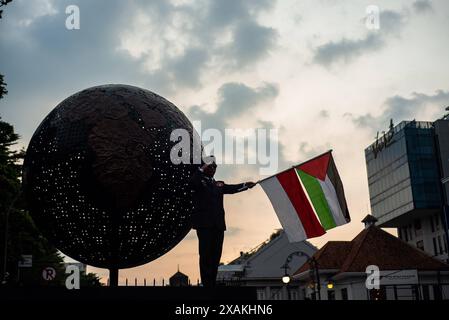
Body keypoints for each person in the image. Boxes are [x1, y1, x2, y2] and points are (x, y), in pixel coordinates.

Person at [190, 156, 256, 287]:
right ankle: (206, 283)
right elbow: (192, 183)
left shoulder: (218, 184)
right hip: (204, 225)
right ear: (204, 167)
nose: (213, 169)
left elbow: (232, 189)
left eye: (215, 167)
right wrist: (201, 168)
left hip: (218, 225)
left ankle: (212, 282)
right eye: (210, 166)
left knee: (215, 255)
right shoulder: (199, 181)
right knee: (205, 255)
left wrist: (245, 186)